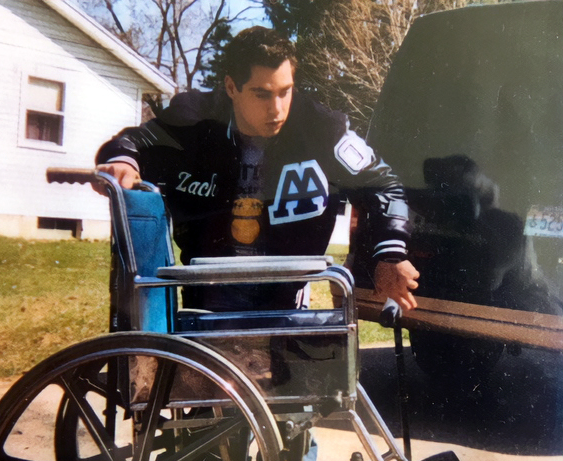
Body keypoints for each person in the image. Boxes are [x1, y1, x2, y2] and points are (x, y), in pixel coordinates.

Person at [95, 26, 419, 312]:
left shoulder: (321, 128)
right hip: (206, 291)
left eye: (285, 91)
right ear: (231, 87)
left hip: (287, 294)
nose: (276, 109)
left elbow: (383, 184)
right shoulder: (194, 118)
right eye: (262, 94)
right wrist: (123, 161)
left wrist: (390, 253)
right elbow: (133, 142)